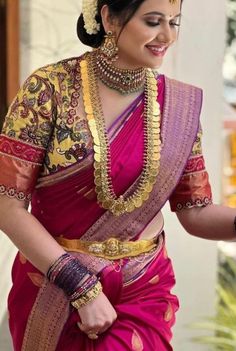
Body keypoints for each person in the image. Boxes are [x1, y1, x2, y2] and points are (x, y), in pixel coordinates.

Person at [0, 0, 235, 350]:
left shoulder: (178, 108)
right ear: (109, 17)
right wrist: (80, 286)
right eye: (153, 21)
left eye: (175, 22)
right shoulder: (48, 90)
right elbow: (7, 205)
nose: (167, 35)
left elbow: (195, 210)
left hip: (142, 289)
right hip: (55, 286)